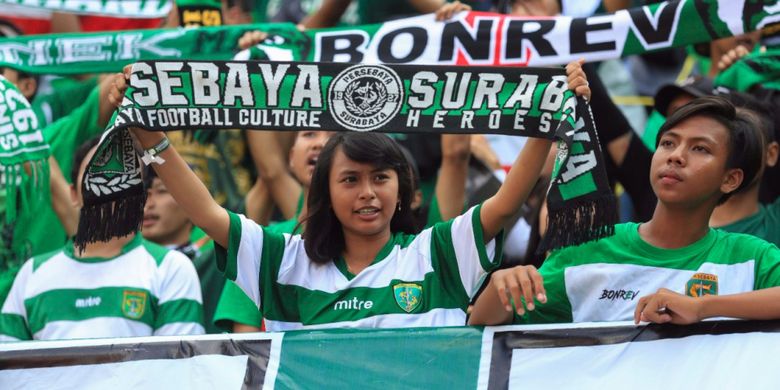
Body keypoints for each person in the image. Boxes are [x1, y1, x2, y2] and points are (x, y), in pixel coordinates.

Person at [118, 59, 590, 330]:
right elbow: (204, 211)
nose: (368, 193)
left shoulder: (437, 252)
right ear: (323, 191)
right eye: (350, 180)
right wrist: (149, 140)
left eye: (381, 178)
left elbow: (507, 201)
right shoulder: (286, 260)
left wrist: (549, 118)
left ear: (402, 190)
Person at [469, 96, 780, 326]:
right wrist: (500, 289)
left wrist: (703, 308)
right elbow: (479, 329)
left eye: (700, 148)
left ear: (730, 179)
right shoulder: (588, 249)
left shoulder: (751, 256)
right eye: (668, 143)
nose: (676, 157)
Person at [0, 138, 205, 341]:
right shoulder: (32, 272)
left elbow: (179, 368)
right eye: (95, 170)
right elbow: (9, 367)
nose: (109, 179)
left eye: (123, 171)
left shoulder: (171, 268)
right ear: (73, 193)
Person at [142, 169, 224, 334]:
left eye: (162, 191)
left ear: (192, 201)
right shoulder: (117, 264)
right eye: (142, 193)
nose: (148, 203)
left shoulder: (218, 264)